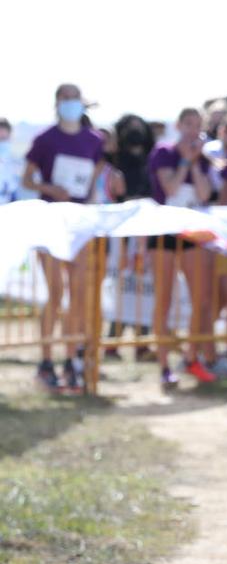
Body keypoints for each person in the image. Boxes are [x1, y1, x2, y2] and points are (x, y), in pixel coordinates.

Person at [21, 83, 106, 391]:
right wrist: (50, 189)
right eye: (65, 97)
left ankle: (72, 360)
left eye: (74, 97)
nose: (70, 102)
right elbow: (27, 179)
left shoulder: (94, 140)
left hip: (79, 223)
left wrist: (91, 202)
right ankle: (46, 363)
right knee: (55, 293)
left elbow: (94, 179)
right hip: (50, 221)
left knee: (79, 293)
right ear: (56, 102)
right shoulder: (45, 138)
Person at [146, 107, 225, 386]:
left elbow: (204, 194)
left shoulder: (203, 159)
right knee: (164, 299)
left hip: (193, 233)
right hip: (164, 232)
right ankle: (164, 365)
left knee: (201, 298)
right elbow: (170, 188)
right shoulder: (163, 152)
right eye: (188, 123)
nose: (193, 129)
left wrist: (194, 163)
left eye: (198, 125)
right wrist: (184, 162)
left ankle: (192, 357)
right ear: (179, 125)